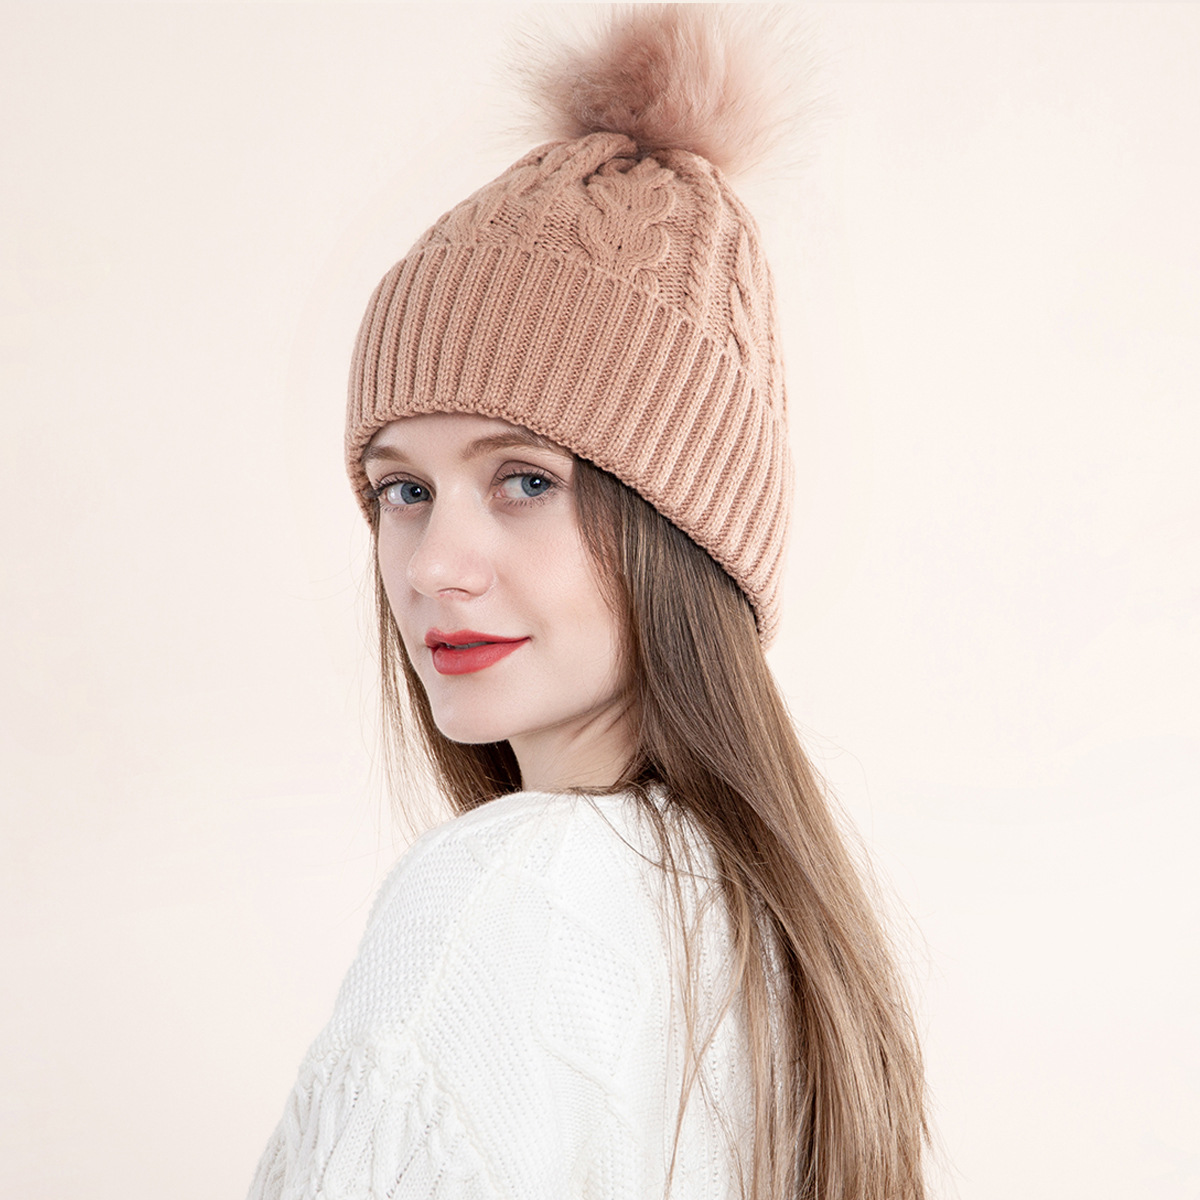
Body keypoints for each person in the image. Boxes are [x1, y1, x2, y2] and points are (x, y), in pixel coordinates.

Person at [248, 8, 927, 1199]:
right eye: (403, 489)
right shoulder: (790, 946)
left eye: (525, 481)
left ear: (680, 527)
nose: (433, 566)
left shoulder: (499, 903)